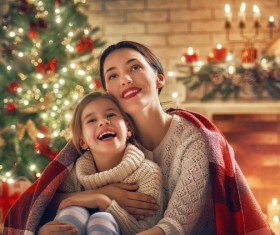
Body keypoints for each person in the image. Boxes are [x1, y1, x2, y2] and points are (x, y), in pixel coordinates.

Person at [4, 41, 274, 235]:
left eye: (134, 67)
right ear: (108, 91)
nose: (125, 79)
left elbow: (173, 227)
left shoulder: (195, 141)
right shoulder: (107, 140)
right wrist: (100, 195)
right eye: (113, 75)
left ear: (158, 77)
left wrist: (101, 201)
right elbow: (42, 200)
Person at [4, 92, 164, 235]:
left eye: (111, 115)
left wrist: (103, 202)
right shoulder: (75, 173)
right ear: (82, 141)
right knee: (72, 212)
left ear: (128, 128)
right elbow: (41, 208)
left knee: (101, 219)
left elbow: (148, 230)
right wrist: (42, 230)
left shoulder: (147, 173)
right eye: (92, 120)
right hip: (74, 223)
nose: (103, 122)